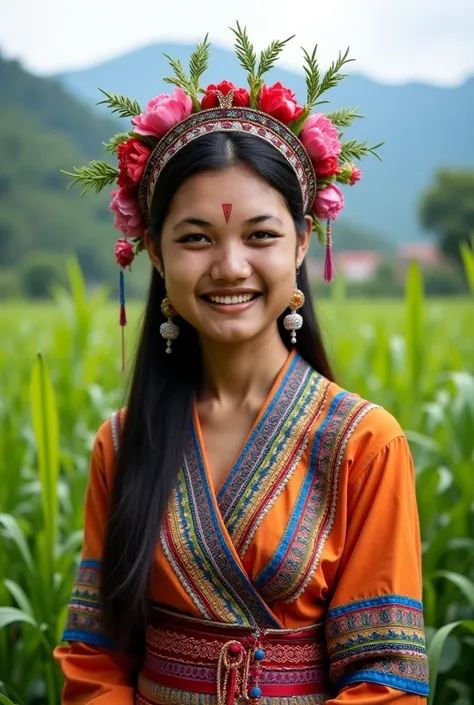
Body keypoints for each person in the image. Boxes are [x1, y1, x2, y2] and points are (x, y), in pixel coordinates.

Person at [54, 26, 429, 704]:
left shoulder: (364, 444)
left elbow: (387, 678)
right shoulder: (122, 442)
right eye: (196, 238)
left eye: (260, 234)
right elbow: (96, 654)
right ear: (158, 255)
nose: (230, 266)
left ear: (302, 244)